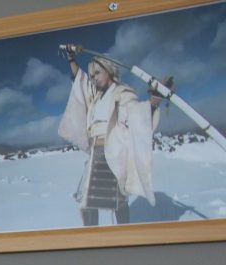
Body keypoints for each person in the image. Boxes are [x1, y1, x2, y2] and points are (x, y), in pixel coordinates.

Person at [57, 46, 162, 227]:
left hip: (114, 151)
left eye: (97, 73)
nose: (93, 78)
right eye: (92, 75)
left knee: (117, 201)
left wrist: (152, 104)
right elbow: (80, 83)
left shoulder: (123, 93)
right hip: (96, 153)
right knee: (89, 202)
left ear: (109, 71)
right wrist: (71, 59)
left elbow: (137, 115)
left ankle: (124, 234)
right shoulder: (96, 96)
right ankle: (92, 238)